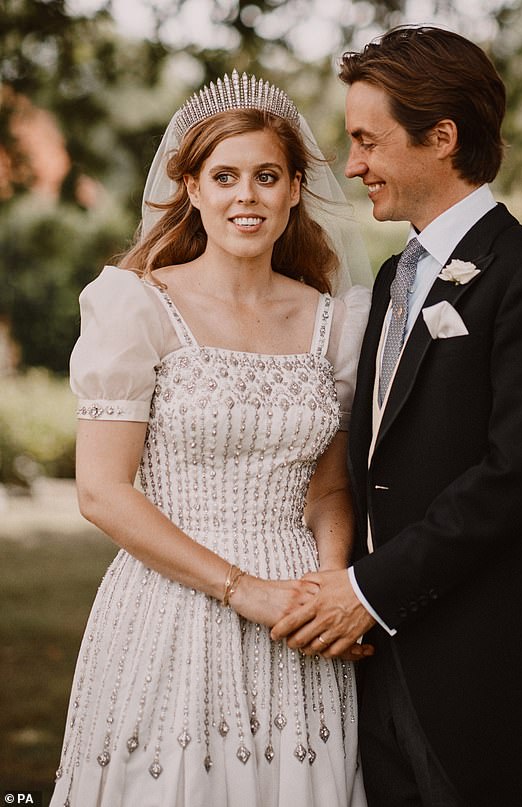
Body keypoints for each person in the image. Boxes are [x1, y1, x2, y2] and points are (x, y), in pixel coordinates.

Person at [272, 26, 522, 807]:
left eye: (366, 141)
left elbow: (513, 474)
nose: (352, 165)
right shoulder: (393, 277)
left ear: (442, 137)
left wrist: (370, 590)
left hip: (490, 665)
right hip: (382, 666)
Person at [50, 71, 373, 807]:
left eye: (266, 176)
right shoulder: (136, 306)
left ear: (296, 187)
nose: (246, 196)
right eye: (224, 176)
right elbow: (102, 492)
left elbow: (327, 487)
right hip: (171, 609)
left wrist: (326, 586)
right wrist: (243, 589)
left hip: (301, 623)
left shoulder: (337, 323)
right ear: (191, 188)